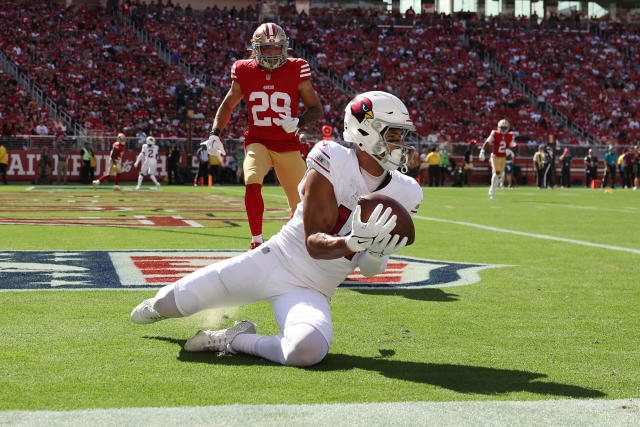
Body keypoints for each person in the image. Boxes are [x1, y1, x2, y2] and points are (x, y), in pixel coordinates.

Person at [130, 91, 422, 367]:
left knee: (307, 350)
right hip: (273, 261)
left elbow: (369, 269)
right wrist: (354, 242)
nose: (400, 143)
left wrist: (376, 252)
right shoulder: (333, 156)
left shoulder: (406, 191)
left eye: (402, 135)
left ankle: (236, 339)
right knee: (171, 303)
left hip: (315, 289)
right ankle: (156, 306)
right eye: (393, 134)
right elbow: (314, 243)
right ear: (365, 130)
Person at [200, 23, 323, 249]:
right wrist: (215, 133)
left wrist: (299, 121)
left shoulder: (297, 68)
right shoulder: (244, 69)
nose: (274, 53)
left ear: (285, 47)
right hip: (258, 140)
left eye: (278, 48)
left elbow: (316, 108)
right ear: (256, 49)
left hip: (288, 144)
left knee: (300, 204)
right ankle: (256, 240)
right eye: (268, 48)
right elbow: (227, 105)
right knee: (252, 179)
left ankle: (292, 242)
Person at [479, 119, 513, 200]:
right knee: (496, 173)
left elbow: (511, 145)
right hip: (495, 156)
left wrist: (510, 150)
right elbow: (487, 142)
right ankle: (492, 193)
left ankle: (491, 188)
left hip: (503, 157)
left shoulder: (510, 135)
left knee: (499, 176)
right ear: (498, 127)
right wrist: (482, 151)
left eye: (505, 127)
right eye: (502, 127)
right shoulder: (495, 134)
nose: (503, 129)